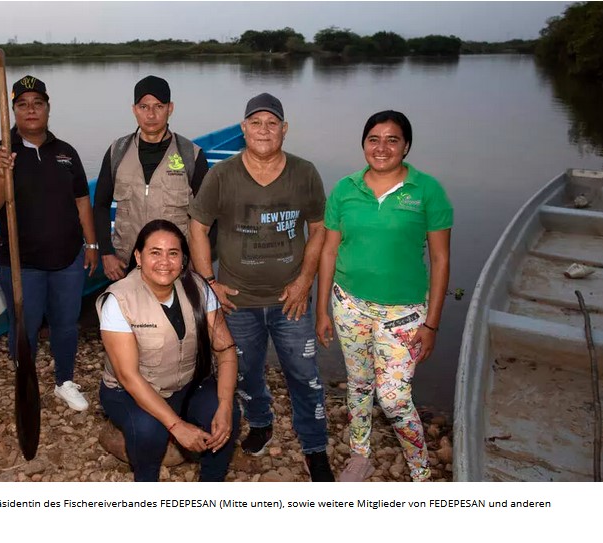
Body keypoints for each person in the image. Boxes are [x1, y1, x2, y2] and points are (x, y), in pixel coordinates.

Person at [188, 93, 334, 481]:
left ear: (284, 130)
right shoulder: (223, 175)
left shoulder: (304, 173)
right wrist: (209, 283)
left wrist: (305, 281)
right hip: (238, 301)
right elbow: (198, 227)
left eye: (272, 123)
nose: (264, 130)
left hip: (292, 300)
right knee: (245, 371)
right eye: (256, 123)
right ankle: (261, 422)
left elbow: (319, 229)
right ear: (243, 129)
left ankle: (315, 447)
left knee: (305, 375)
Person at [315, 110, 452, 482]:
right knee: (358, 384)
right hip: (349, 304)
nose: (382, 147)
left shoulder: (427, 191)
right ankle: (361, 454)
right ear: (363, 144)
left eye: (392, 139)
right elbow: (329, 250)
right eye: (374, 138)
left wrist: (433, 324)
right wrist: (322, 309)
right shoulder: (345, 189)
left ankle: (420, 471)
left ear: (406, 146)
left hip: (405, 313)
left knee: (393, 397)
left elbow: (440, 259)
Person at [0, 75, 98, 412]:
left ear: (47, 108)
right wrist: (2, 176)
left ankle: (65, 381)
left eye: (37, 103)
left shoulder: (65, 153)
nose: (31, 110)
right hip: (21, 262)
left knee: (66, 322)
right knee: (24, 324)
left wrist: (91, 245)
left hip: (67, 260)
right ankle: (23, 376)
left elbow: (82, 201)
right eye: (23, 104)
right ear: (13, 110)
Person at [97, 219, 240, 482]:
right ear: (138, 256)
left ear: (183, 259)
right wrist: (177, 426)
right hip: (128, 392)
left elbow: (226, 350)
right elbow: (129, 377)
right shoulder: (119, 300)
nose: (165, 261)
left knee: (224, 417)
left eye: (173, 253)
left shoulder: (199, 288)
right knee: (149, 430)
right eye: (155, 252)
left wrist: (225, 404)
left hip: (185, 383)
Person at [93, 75, 210, 280]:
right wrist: (106, 253)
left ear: (170, 108)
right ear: (134, 109)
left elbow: (207, 217)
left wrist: (196, 262)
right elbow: (101, 205)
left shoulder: (191, 155)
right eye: (144, 107)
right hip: (127, 264)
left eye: (159, 106)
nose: (151, 114)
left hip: (175, 266)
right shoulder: (117, 152)